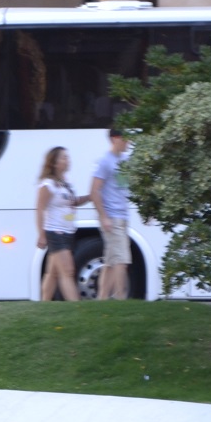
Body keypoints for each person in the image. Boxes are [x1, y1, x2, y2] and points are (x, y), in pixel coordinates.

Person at [36, 146, 90, 301]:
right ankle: (76, 307)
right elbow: (40, 209)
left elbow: (74, 202)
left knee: (52, 273)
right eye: (64, 158)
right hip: (56, 232)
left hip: (68, 232)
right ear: (54, 163)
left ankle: (43, 305)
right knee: (67, 271)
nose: (68, 160)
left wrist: (90, 197)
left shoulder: (66, 182)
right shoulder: (48, 185)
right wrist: (41, 235)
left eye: (68, 157)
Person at [89, 127, 134, 299]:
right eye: (125, 138)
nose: (128, 142)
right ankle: (121, 299)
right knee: (121, 261)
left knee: (110, 261)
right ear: (115, 139)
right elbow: (94, 191)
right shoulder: (104, 162)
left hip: (122, 217)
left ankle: (102, 299)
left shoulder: (125, 160)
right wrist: (103, 217)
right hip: (112, 218)